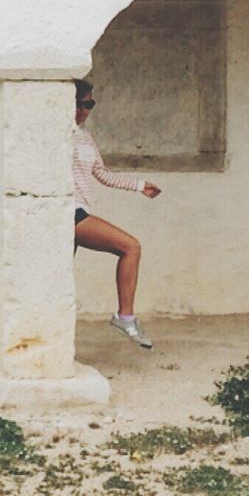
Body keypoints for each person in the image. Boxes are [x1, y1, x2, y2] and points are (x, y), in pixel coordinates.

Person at [72, 78, 161, 349]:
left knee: (60, 279)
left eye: (91, 104)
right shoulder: (54, 133)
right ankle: (125, 317)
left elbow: (101, 173)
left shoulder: (85, 137)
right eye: (84, 103)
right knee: (130, 246)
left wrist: (139, 185)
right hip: (67, 212)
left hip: (79, 209)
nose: (88, 110)